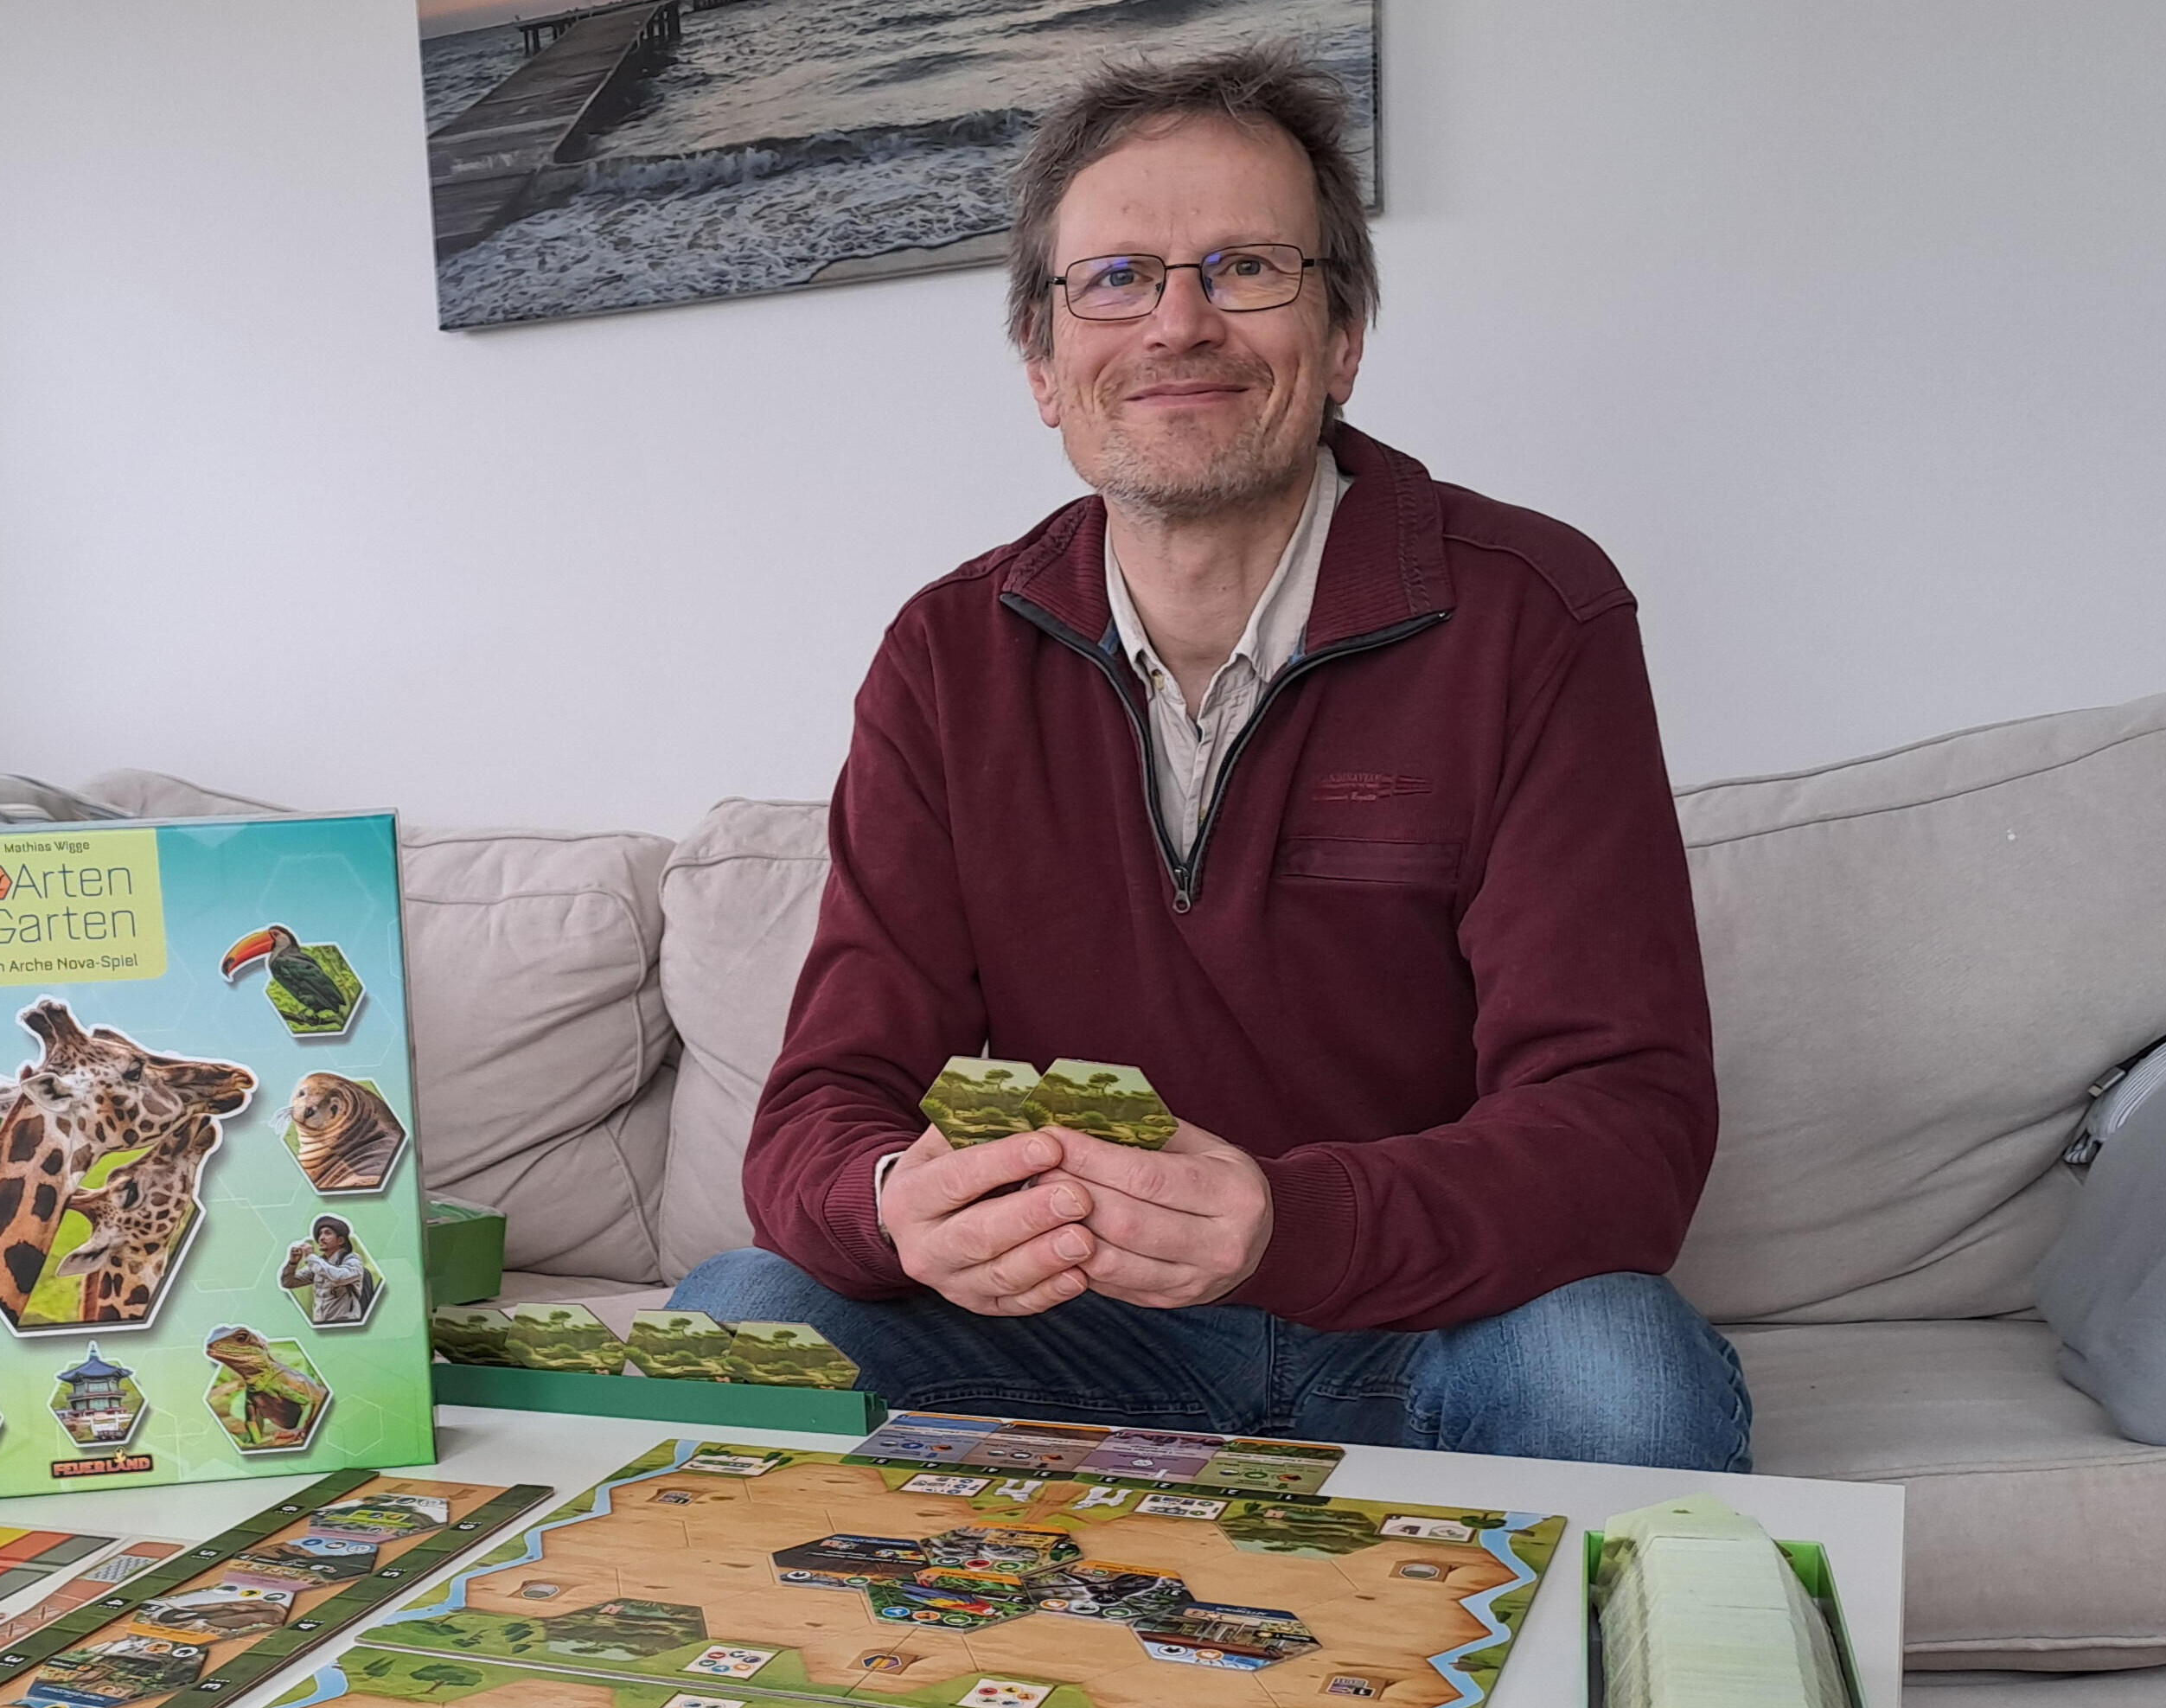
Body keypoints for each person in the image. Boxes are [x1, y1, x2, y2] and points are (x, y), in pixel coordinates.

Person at [675, 45, 1747, 1469]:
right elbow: (822, 1109)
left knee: (1621, 1377)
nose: (1177, 323)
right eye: (1115, 279)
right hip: (1077, 1332)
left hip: (1431, 1321)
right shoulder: (944, 657)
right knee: (744, 1318)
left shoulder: (1535, 613)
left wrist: (1288, 1224)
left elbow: (1624, 1128)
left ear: (1342, 339)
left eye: (1244, 268)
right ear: (1044, 367)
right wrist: (890, 1204)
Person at [279, 1216, 382, 1327]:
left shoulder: (352, 1261)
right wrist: (292, 1263)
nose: (321, 1238)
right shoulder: (319, 1264)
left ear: (340, 1240)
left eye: (327, 1233)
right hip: (321, 1325)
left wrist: (310, 1256)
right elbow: (288, 1283)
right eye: (320, 1234)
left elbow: (338, 1277)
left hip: (346, 1325)